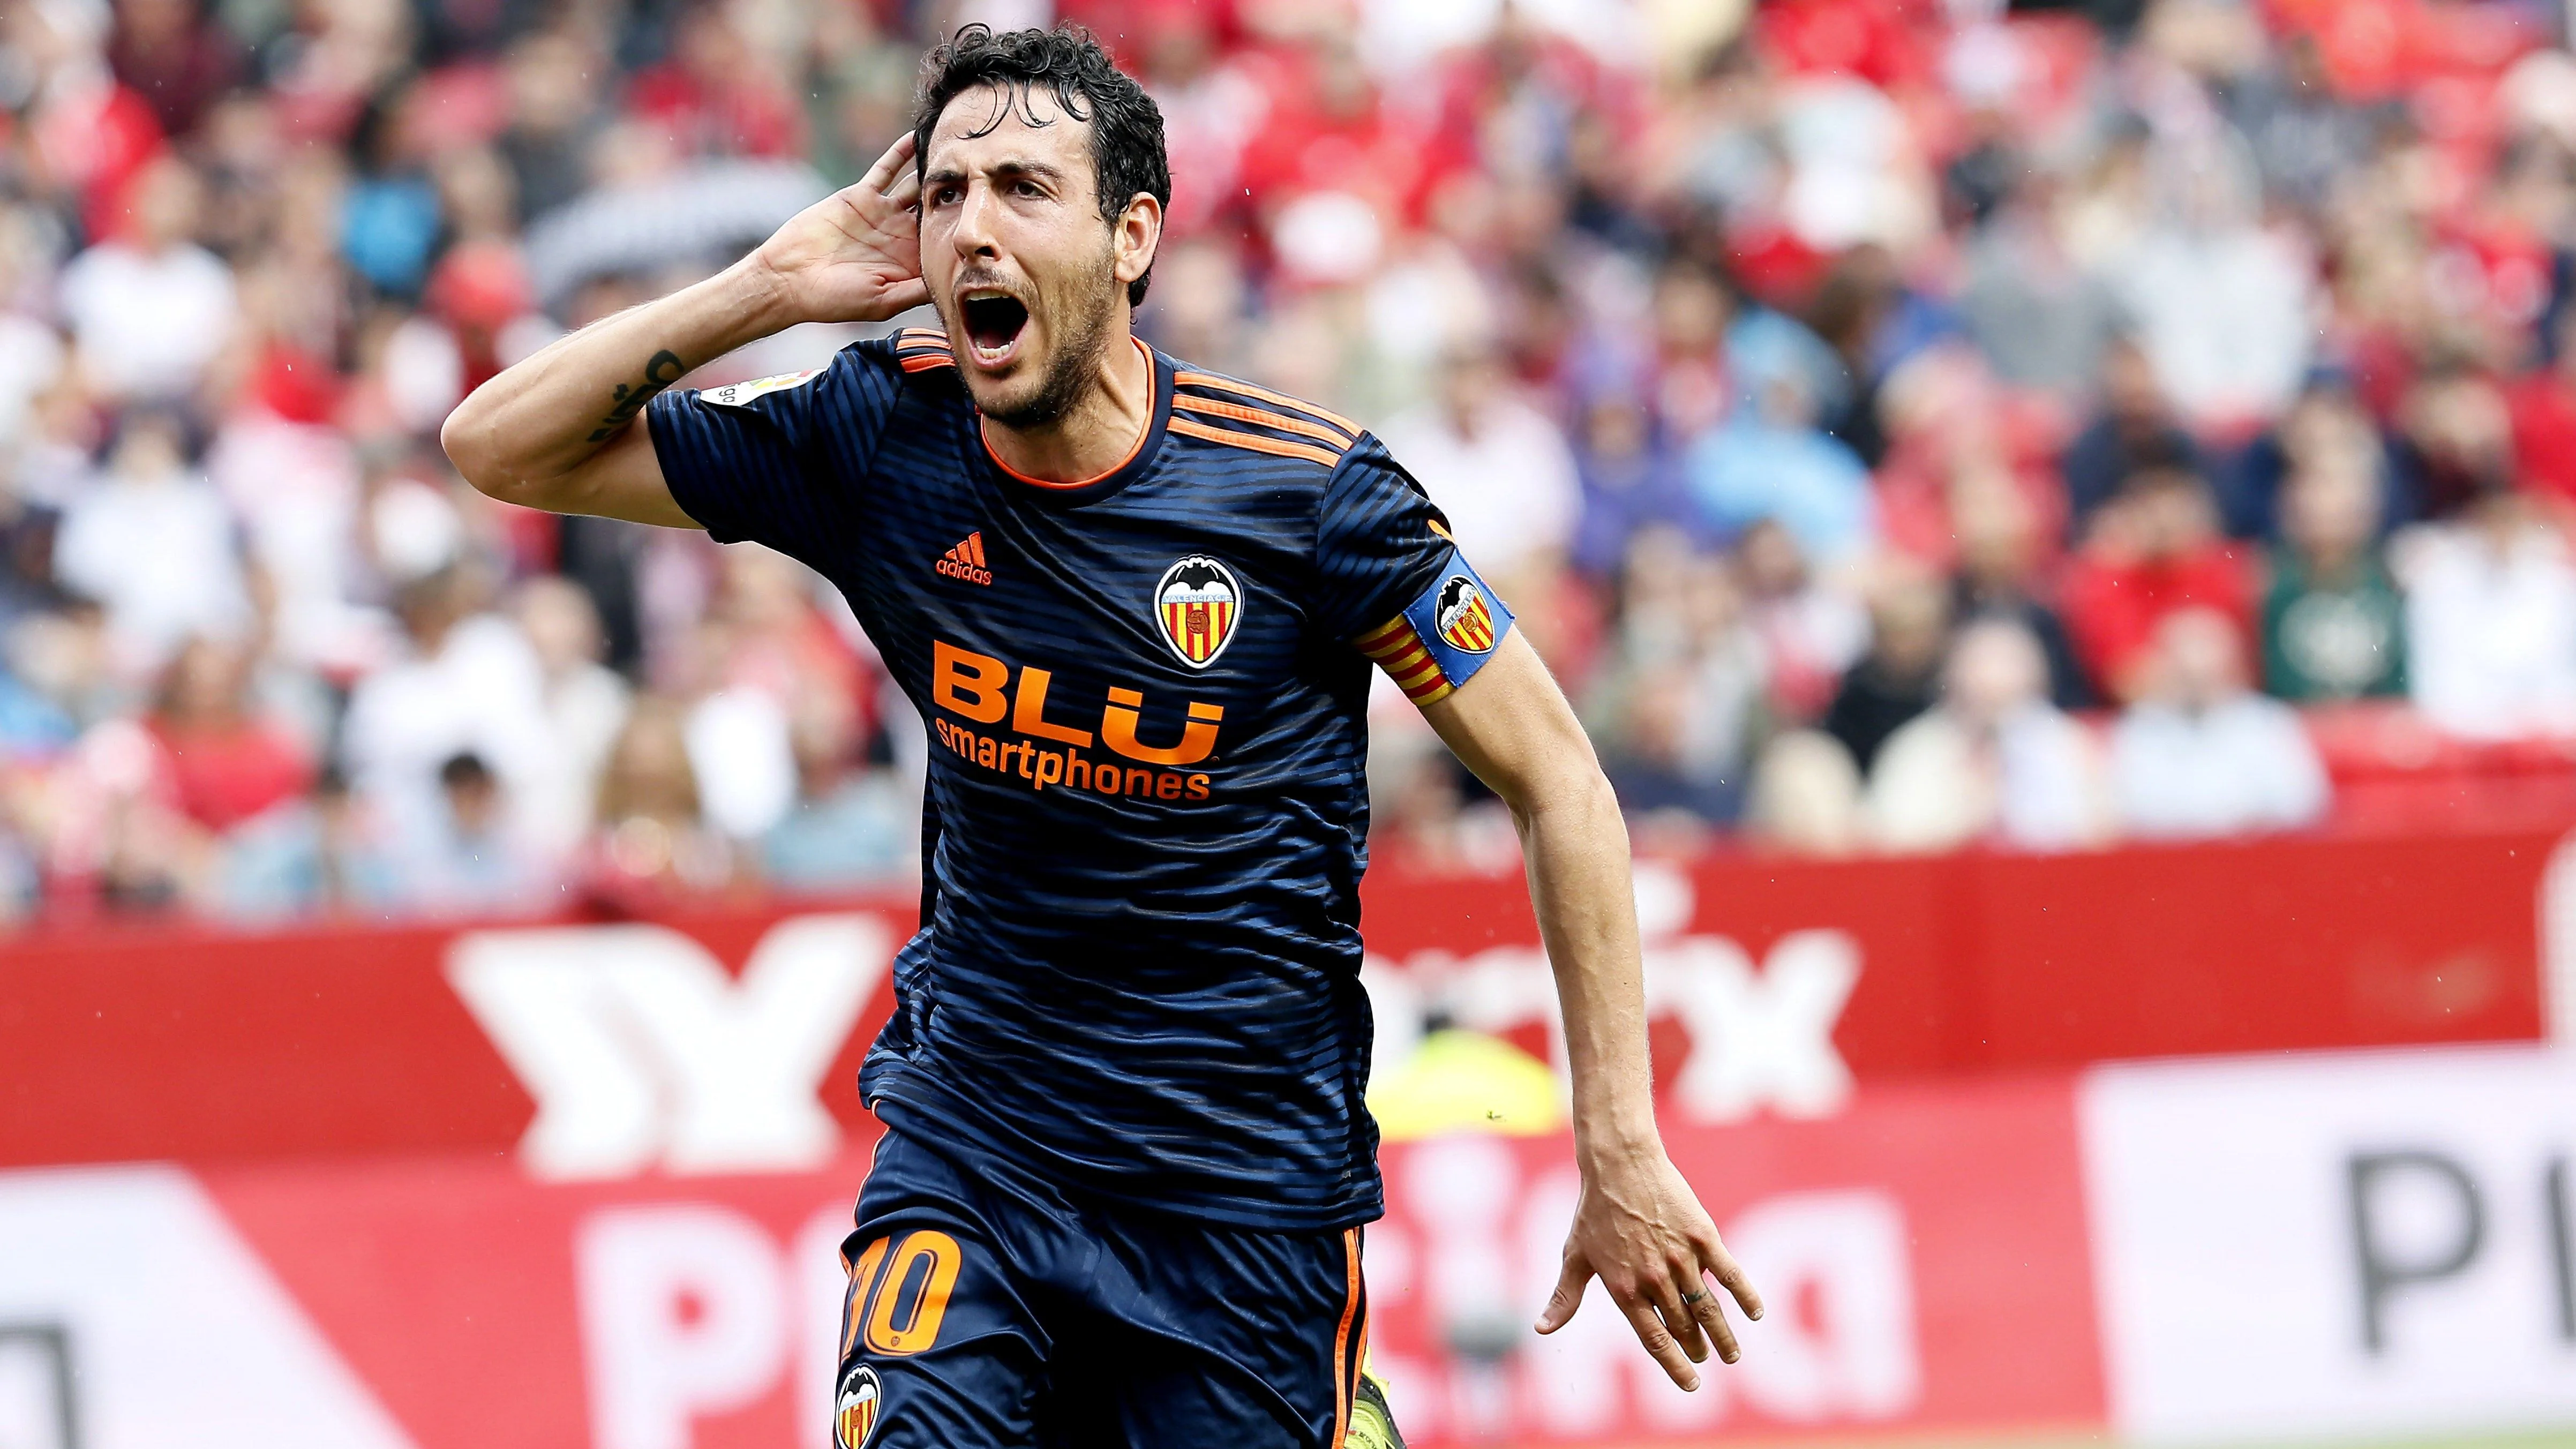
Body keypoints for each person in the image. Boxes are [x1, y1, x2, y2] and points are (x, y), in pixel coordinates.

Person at [441, 25, 1760, 1449]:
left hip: (1243, 1199)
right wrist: (774, 283)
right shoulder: (880, 438)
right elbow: (499, 447)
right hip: (980, 1145)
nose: (974, 230)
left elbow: (1560, 778)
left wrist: (1616, 1140)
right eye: (947, 195)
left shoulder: (1314, 499)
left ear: (1131, 236)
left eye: (1022, 188)